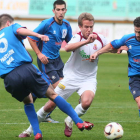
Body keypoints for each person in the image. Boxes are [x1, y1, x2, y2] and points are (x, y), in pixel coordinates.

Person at [0, 14, 94, 140]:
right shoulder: (11, 27)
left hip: (9, 78)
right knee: (54, 95)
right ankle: (78, 121)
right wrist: (38, 35)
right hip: (25, 68)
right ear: (8, 23)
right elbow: (20, 30)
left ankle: (37, 133)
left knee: (28, 101)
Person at [19, 12, 109, 138]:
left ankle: (70, 120)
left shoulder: (100, 38)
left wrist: (99, 52)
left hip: (89, 79)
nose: (89, 30)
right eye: (86, 27)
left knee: (87, 102)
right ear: (80, 27)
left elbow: (112, 47)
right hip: (71, 78)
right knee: (50, 104)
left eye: (91, 27)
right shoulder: (77, 37)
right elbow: (67, 48)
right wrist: (86, 41)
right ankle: (29, 130)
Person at [28, 0, 73, 123]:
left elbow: (72, 43)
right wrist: (39, 53)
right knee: (60, 89)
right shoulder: (47, 24)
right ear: (54, 11)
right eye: (57, 9)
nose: (60, 12)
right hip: (46, 60)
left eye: (62, 9)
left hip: (57, 60)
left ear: (65, 11)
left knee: (64, 87)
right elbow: (31, 37)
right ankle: (44, 114)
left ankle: (36, 92)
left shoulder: (67, 25)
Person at [90, 17, 140, 117]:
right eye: (136, 31)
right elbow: (112, 45)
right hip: (135, 78)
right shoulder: (128, 39)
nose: (137, 35)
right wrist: (97, 53)